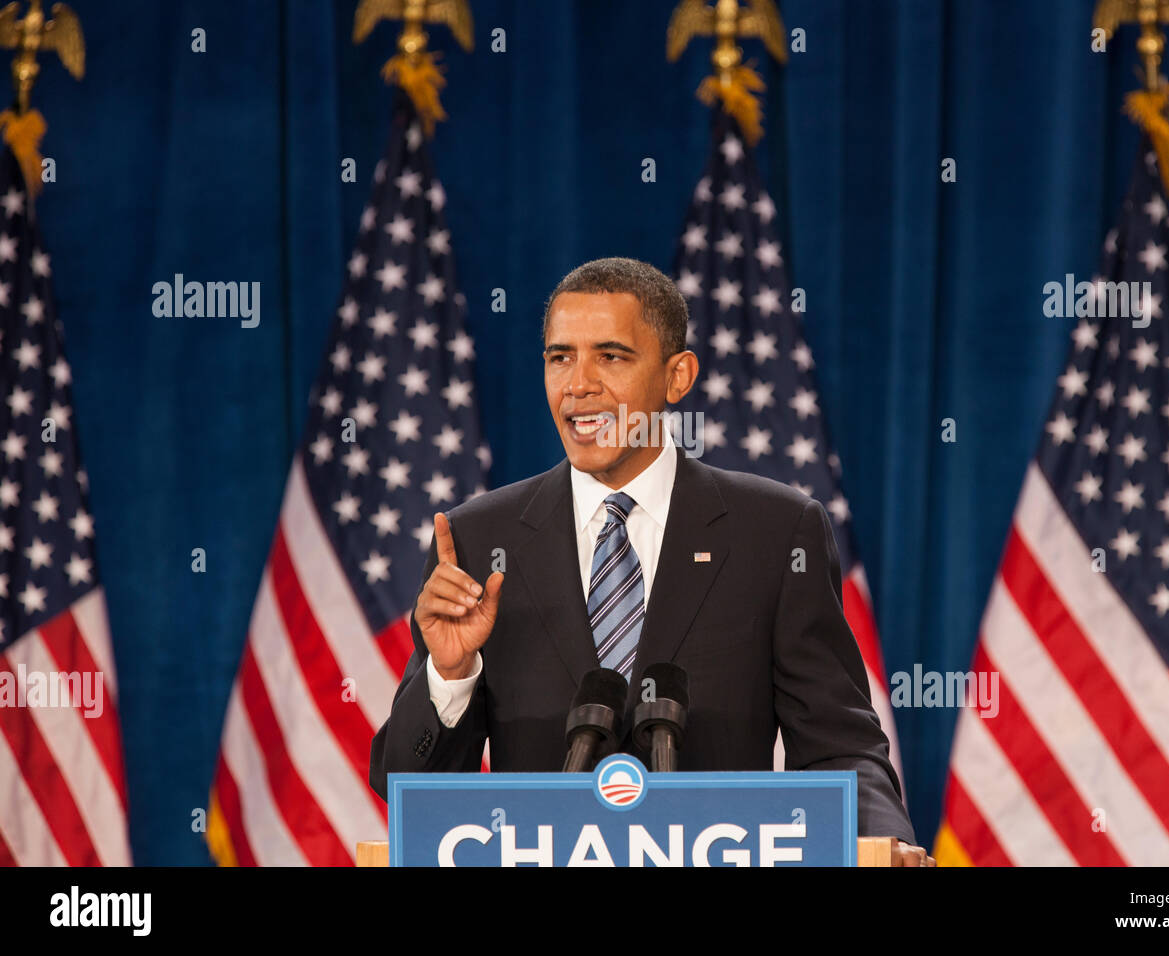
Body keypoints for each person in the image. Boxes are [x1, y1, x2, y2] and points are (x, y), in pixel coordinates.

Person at [369, 257, 927, 860]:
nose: (578, 384)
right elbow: (410, 790)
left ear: (677, 376)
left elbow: (839, 744)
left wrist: (879, 844)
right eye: (560, 357)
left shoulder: (776, 532)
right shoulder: (479, 539)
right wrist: (450, 677)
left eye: (610, 356)